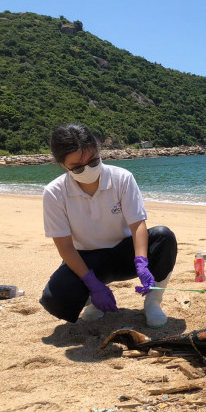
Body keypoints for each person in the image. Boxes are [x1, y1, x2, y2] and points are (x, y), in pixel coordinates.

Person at [39, 123, 177, 328]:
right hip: (87, 260)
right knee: (55, 298)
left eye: (94, 161)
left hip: (123, 253)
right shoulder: (54, 193)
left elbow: (137, 223)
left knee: (164, 237)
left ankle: (153, 302)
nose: (88, 170)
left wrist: (141, 261)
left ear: (98, 150)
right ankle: (95, 299)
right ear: (62, 164)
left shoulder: (122, 178)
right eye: (78, 167)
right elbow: (66, 247)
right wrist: (92, 284)